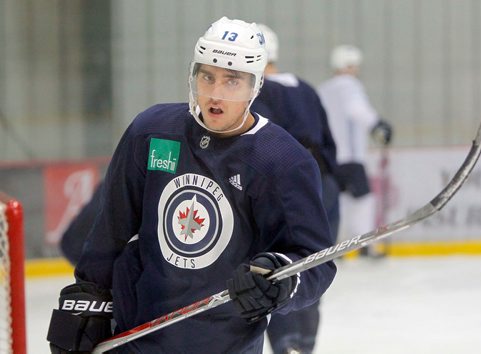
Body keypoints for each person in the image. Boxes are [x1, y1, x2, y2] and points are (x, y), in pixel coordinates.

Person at [46, 17, 337, 354]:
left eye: (232, 81)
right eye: (207, 76)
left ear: (255, 86)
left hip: (225, 343)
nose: (215, 93)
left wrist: (282, 281)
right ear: (193, 75)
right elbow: (111, 229)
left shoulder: (283, 160)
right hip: (135, 335)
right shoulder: (152, 131)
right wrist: (89, 296)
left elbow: (314, 261)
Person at [251, 24, 340, 354]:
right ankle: (304, 344)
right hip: (322, 186)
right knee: (312, 264)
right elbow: (330, 144)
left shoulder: (257, 92)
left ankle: (287, 344)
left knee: (282, 266)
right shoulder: (304, 88)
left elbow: (259, 148)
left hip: (285, 188)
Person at [317, 45, 392, 257]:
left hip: (330, 156)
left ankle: (335, 247)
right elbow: (356, 109)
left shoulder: (324, 89)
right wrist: (377, 125)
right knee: (362, 199)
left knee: (338, 200)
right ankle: (364, 244)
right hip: (349, 155)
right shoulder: (349, 85)